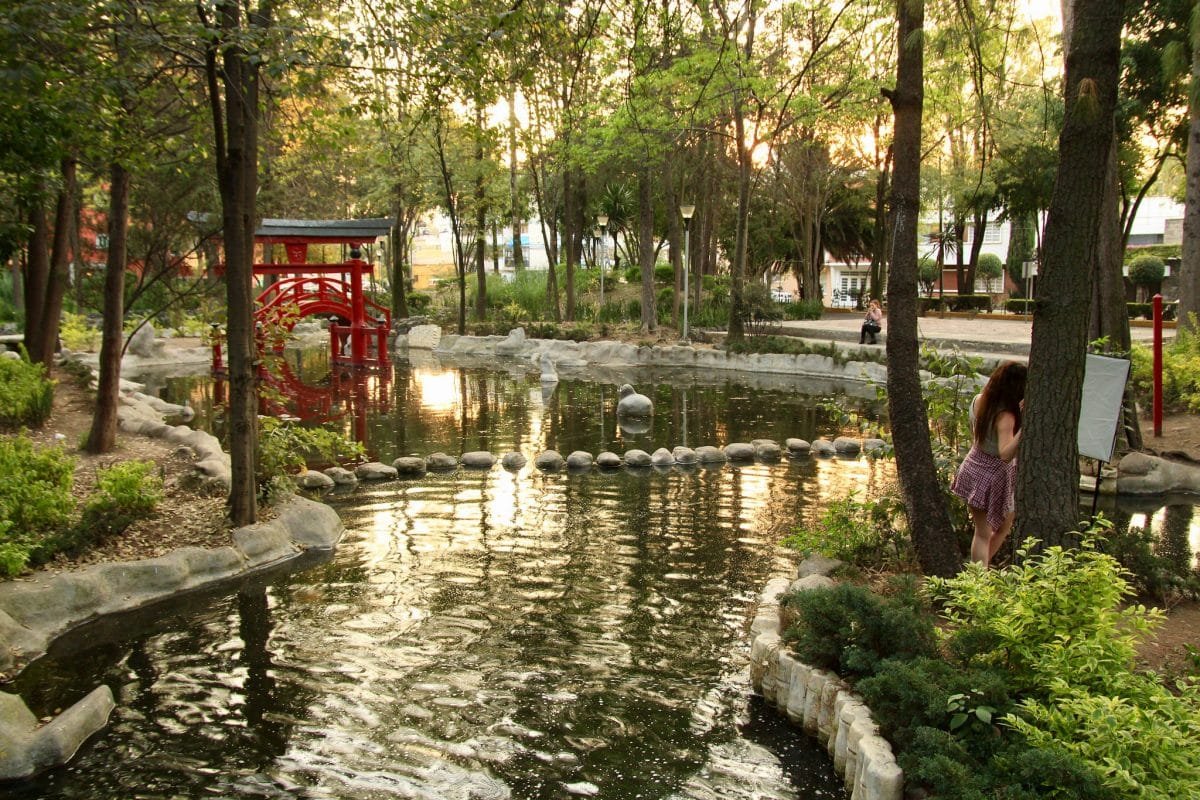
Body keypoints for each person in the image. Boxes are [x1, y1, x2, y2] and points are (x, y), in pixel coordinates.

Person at [951, 361, 1027, 567]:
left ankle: (979, 570)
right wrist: (1024, 427)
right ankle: (977, 578)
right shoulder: (1006, 416)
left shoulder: (979, 400)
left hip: (973, 465)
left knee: (1002, 526)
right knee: (984, 533)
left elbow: (975, 433)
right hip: (992, 474)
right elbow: (1005, 454)